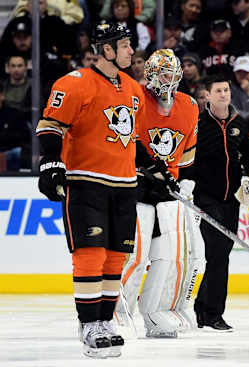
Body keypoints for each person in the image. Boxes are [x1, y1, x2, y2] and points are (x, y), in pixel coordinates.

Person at [35, 21, 143, 358]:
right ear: (107, 50)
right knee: (90, 254)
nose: (130, 51)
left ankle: (106, 319)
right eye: (124, 45)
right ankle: (89, 323)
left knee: (116, 256)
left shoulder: (133, 88)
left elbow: (134, 138)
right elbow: (50, 124)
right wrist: (51, 163)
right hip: (85, 182)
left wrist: (154, 168)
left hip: (124, 183)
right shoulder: (75, 83)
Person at [115, 49, 203, 338]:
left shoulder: (190, 106)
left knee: (170, 258)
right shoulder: (133, 98)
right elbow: (124, 143)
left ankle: (157, 313)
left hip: (167, 192)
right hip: (136, 187)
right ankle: (116, 312)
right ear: (151, 73)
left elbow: (186, 158)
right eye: (165, 72)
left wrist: (185, 183)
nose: (170, 78)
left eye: (173, 73)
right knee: (135, 255)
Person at [193, 74, 249, 331]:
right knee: (217, 256)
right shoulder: (199, 124)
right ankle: (213, 313)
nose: (224, 94)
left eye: (226, 90)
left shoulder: (239, 123)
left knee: (221, 255)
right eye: (218, 91)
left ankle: (202, 307)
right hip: (206, 198)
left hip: (232, 199)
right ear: (207, 95)